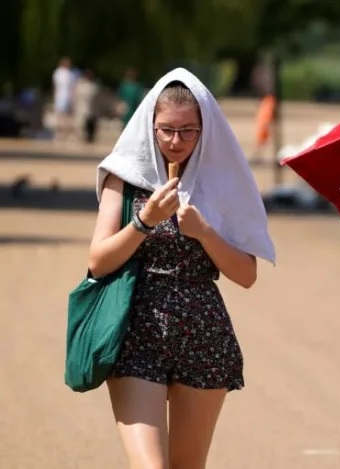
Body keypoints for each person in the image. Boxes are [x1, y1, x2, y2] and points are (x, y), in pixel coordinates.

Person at [88, 67, 275, 468]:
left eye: (188, 131)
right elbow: (98, 260)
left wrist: (205, 232)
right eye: (166, 130)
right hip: (136, 330)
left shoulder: (220, 182)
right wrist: (144, 221)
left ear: (205, 129)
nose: (176, 141)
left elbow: (246, 275)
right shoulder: (125, 177)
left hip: (204, 331)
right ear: (149, 126)